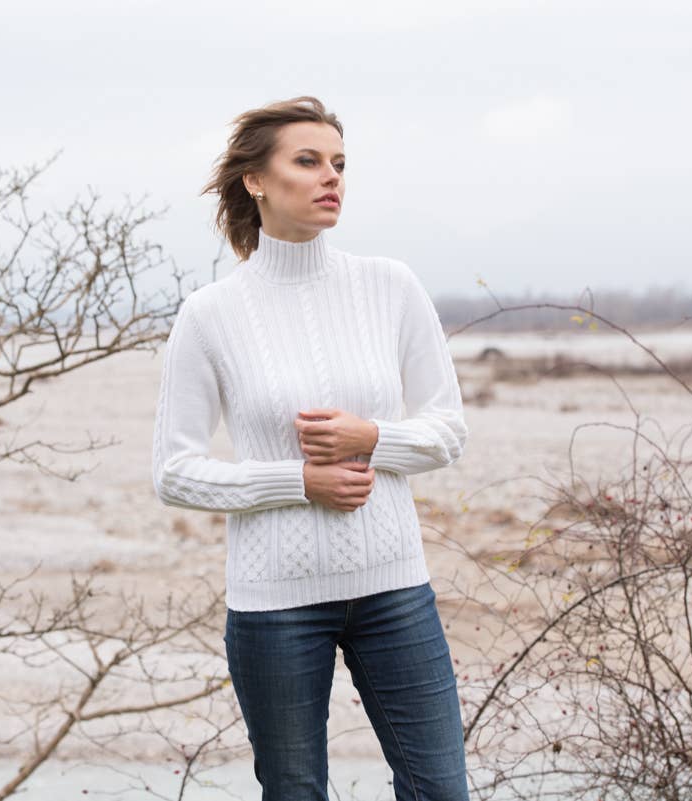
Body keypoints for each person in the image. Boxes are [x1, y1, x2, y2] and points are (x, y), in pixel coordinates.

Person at [151, 95, 470, 801]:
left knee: (442, 790)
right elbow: (174, 473)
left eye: (339, 163)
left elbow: (449, 429)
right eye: (308, 161)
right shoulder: (210, 314)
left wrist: (371, 438)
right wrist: (298, 482)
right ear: (255, 181)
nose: (331, 177)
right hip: (275, 607)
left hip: (395, 591)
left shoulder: (390, 286)